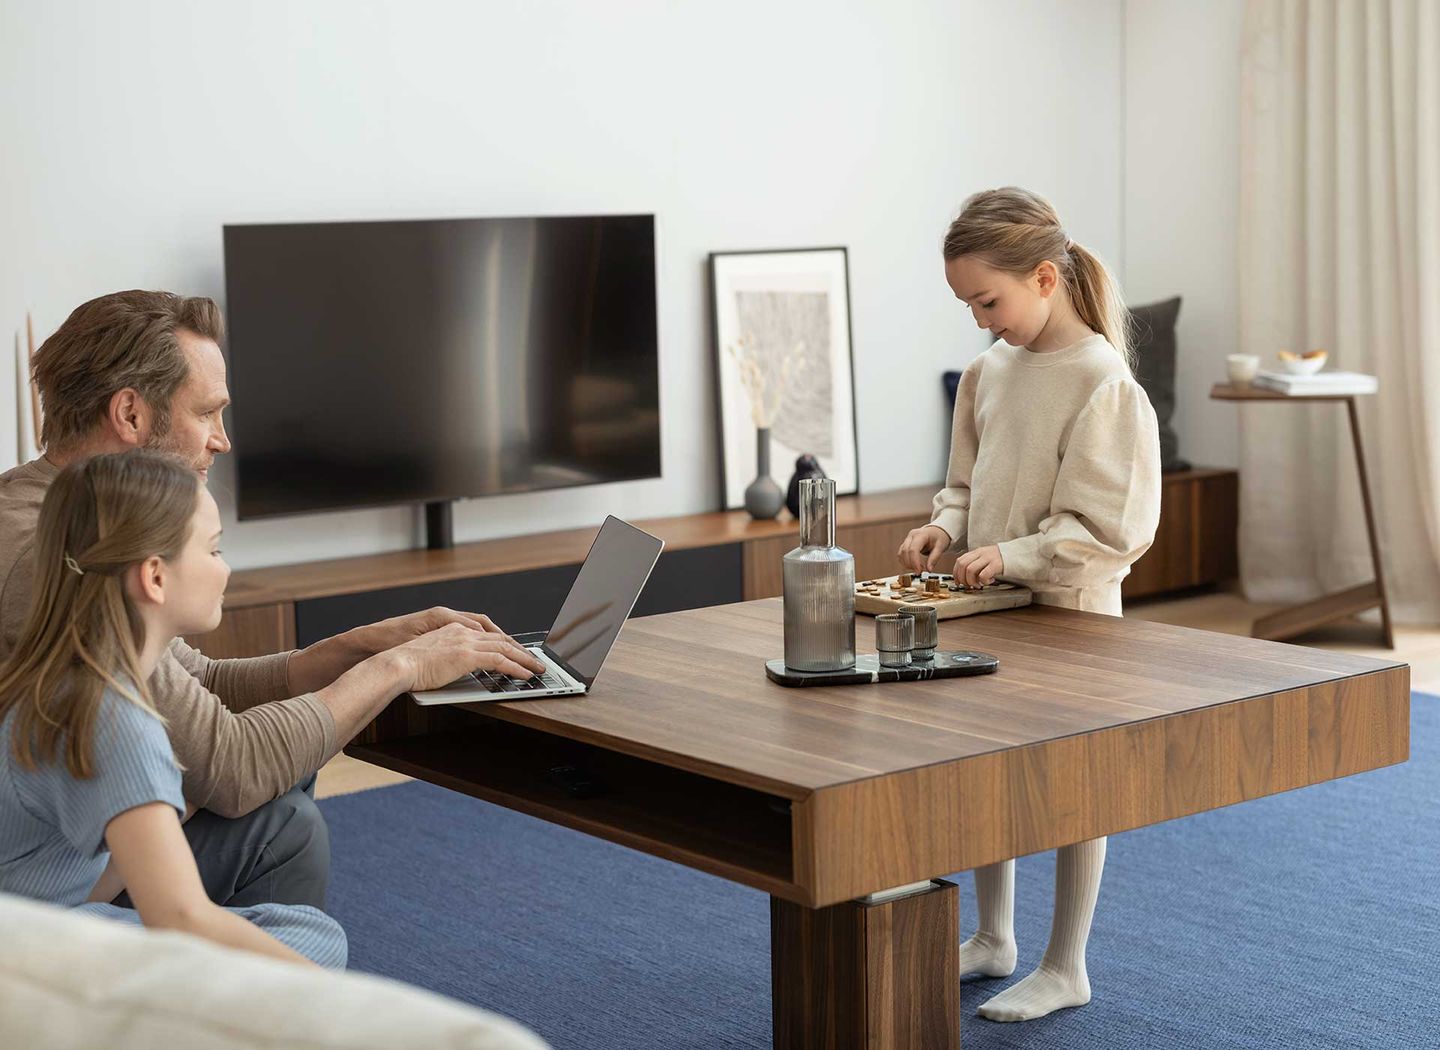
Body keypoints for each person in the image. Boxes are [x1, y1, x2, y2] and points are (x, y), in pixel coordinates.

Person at [0, 290, 545, 913]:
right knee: (282, 820)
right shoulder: (52, 557)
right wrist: (398, 670)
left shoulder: (64, 515)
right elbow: (231, 766)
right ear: (130, 414)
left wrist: (349, 649)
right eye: (207, 413)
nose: (221, 441)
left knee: (289, 759)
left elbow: (195, 683)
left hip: (80, 848)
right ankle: (261, 997)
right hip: (44, 894)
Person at [898, 187, 1162, 1022]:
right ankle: (995, 939)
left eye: (989, 300)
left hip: (1074, 615)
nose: (980, 320)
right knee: (989, 770)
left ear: (1045, 277)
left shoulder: (1101, 381)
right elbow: (963, 485)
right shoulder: (988, 372)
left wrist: (1010, 552)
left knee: (1074, 785)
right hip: (991, 610)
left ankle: (1065, 963)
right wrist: (943, 528)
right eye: (967, 304)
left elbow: (1111, 528)